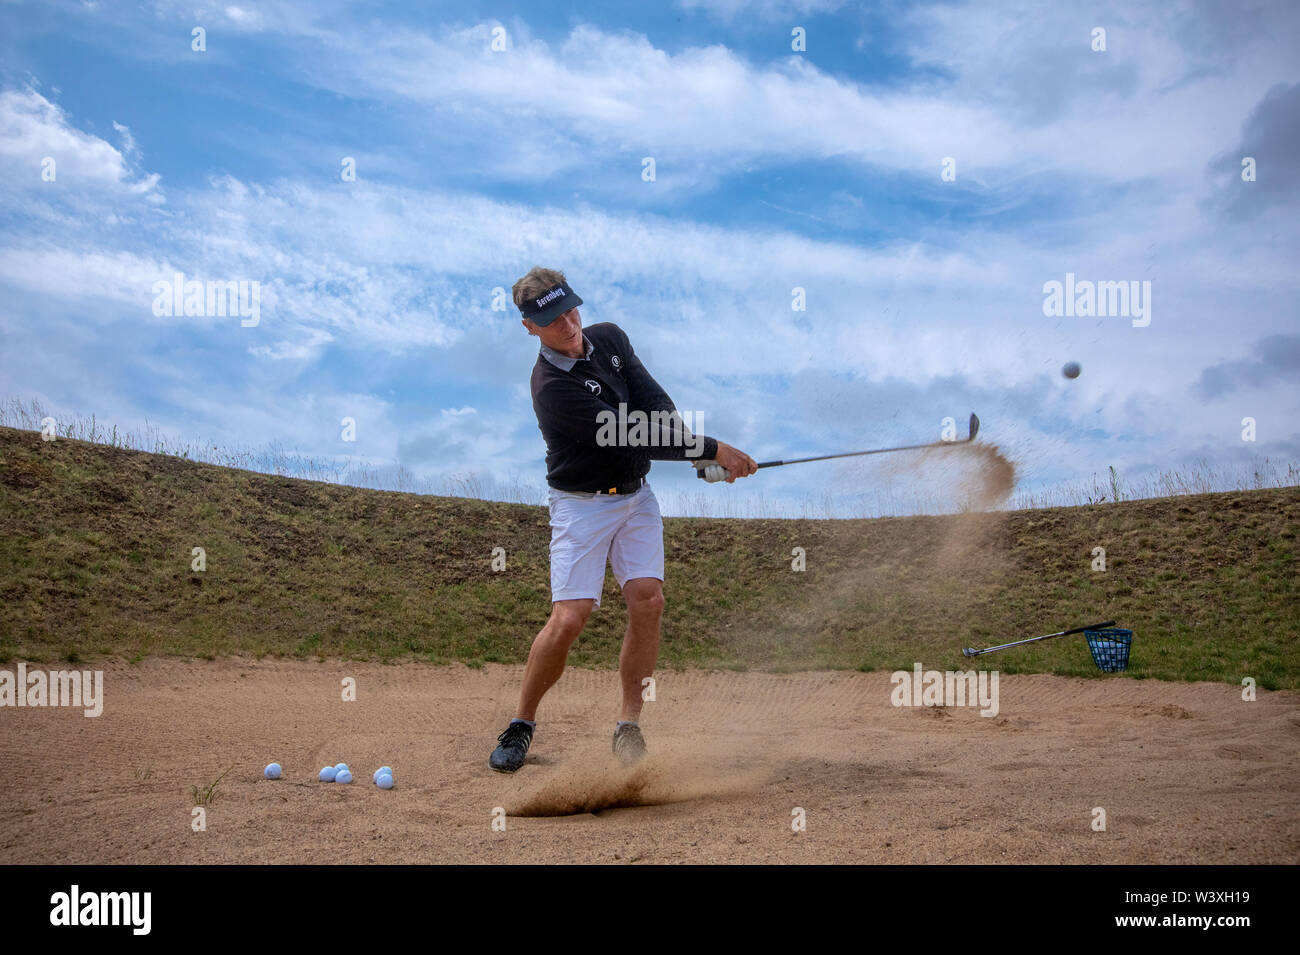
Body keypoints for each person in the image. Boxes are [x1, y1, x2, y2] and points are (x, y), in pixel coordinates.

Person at [488, 267, 757, 772]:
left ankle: (628, 724)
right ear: (529, 327)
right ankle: (522, 722)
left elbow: (654, 403)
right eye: (552, 318)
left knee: (648, 599)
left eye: (571, 309)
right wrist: (714, 447)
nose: (568, 324)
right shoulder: (550, 388)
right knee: (570, 618)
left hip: (635, 497)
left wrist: (695, 454)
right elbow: (629, 431)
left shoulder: (609, 338)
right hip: (581, 506)